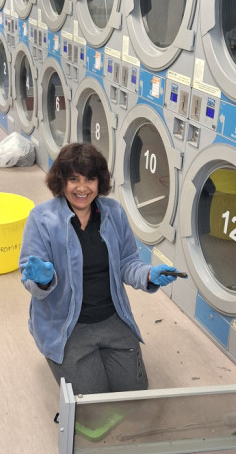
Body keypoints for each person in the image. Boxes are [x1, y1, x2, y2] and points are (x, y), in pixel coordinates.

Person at [19, 142, 178, 395]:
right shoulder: (41, 218)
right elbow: (29, 275)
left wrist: (148, 274)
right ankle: (58, 351)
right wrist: (43, 280)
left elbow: (127, 262)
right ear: (61, 181)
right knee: (92, 400)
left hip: (111, 316)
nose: (82, 188)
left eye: (90, 179)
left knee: (134, 391)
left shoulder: (114, 212)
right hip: (66, 323)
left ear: (99, 182)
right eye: (73, 179)